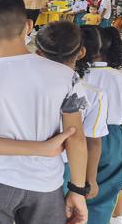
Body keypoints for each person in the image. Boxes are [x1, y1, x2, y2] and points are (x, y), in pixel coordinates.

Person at [0, 0, 88, 224]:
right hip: (46, 184)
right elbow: (75, 138)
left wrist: (42, 148)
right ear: (28, 25)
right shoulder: (66, 76)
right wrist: (77, 191)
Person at [34, 21, 109, 203]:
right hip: (68, 166)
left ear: (38, 54)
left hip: (26, 164)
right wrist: (86, 180)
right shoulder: (93, 94)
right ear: (81, 52)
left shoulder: (26, 86)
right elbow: (91, 142)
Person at [75, 26, 122, 224]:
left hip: (78, 138)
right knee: (103, 196)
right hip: (114, 139)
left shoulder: (75, 76)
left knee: (76, 188)